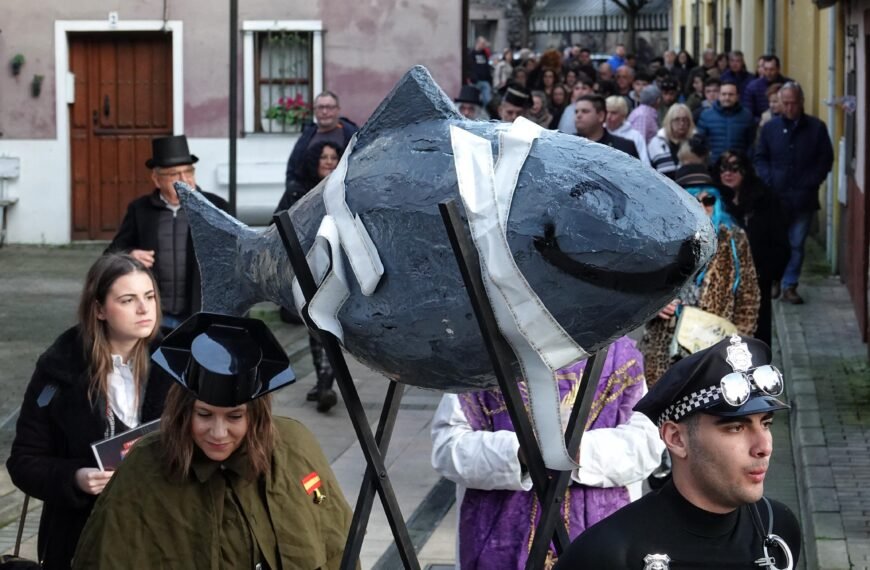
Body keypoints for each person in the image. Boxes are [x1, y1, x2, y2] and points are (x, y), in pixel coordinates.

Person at [72, 313, 355, 569]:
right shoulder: (146, 465)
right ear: (184, 412)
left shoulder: (294, 446)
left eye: (234, 417)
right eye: (204, 415)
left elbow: (337, 545)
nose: (218, 433)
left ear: (254, 416)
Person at [554, 335, 801, 569]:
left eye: (766, 424)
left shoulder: (778, 526)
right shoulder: (608, 554)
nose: (764, 447)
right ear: (676, 438)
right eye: (736, 428)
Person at [432, 336, 665, 570]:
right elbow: (448, 447)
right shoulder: (482, 354)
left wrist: (580, 450)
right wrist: (521, 453)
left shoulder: (617, 355)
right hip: (499, 538)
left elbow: (645, 446)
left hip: (599, 536)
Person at [7, 253, 171, 569]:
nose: (144, 308)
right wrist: (76, 478)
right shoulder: (59, 370)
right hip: (84, 537)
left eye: (149, 296)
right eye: (127, 300)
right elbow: (24, 461)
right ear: (99, 310)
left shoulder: (176, 364)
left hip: (163, 531)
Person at [639, 181, 760, 386]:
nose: (703, 207)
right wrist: (656, 305)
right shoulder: (664, 238)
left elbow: (748, 295)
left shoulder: (734, 238)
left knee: (709, 408)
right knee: (668, 406)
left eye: (709, 200)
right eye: (694, 200)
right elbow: (641, 285)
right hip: (666, 342)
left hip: (714, 342)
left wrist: (739, 342)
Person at [106, 135, 230, 330]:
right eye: (174, 175)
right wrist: (129, 256)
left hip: (201, 315)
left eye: (188, 172)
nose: (184, 181)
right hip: (154, 317)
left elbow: (237, 263)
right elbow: (111, 254)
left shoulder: (216, 208)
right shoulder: (140, 210)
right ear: (156, 179)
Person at [275, 141, 345, 413]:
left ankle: (326, 382)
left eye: (333, 157)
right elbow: (278, 224)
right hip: (307, 269)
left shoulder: (343, 189)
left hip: (337, 269)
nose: (329, 162)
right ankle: (322, 381)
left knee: (328, 327)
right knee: (314, 329)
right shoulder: (298, 192)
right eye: (324, 157)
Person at [755, 81, 834, 304]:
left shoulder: (816, 128)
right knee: (776, 243)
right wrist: (768, 180)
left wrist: (811, 181)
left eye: (793, 103)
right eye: (785, 103)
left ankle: (790, 285)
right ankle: (775, 280)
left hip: (803, 198)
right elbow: (760, 157)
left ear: (801, 103)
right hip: (775, 197)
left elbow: (825, 160)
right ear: (779, 103)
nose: (789, 107)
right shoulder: (770, 128)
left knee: (796, 244)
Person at [716, 150, 790, 346]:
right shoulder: (716, 201)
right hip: (723, 282)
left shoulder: (764, 200)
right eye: (723, 168)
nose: (728, 173)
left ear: (746, 170)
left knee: (755, 335)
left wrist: (768, 275)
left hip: (757, 280)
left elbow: (780, 242)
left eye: (734, 168)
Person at [284, 91, 358, 187]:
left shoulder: (352, 135)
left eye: (329, 107)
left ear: (338, 110)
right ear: (314, 111)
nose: (324, 112)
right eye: (320, 107)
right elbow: (293, 168)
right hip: (308, 196)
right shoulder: (306, 136)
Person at [695, 80, 755, 163]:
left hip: (739, 166)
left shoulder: (747, 116)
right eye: (724, 94)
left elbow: (751, 144)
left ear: (737, 96)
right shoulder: (706, 115)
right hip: (713, 166)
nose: (727, 98)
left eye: (731, 94)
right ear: (719, 95)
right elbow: (699, 142)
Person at [575, 94, 639, 159]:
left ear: (601, 116)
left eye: (585, 111)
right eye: (576, 112)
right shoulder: (568, 144)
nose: (578, 115)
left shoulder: (625, 147)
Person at [648, 103, 695, 179]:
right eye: (677, 120)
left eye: (685, 120)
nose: (682, 123)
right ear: (669, 121)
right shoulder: (656, 143)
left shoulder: (694, 142)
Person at [743, 55, 791, 121]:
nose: (768, 73)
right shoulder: (752, 87)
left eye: (771, 69)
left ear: (778, 69)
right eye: (766, 69)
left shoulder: (789, 85)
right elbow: (748, 113)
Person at [605, 95, 650, 165]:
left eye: (613, 113)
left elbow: (645, 164)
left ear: (623, 114)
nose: (608, 116)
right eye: (606, 112)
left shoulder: (635, 136)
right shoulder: (598, 132)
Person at [468, 36, 493, 106]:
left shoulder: (484, 54)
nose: (484, 45)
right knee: (474, 100)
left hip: (485, 80)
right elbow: (470, 67)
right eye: (483, 43)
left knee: (487, 100)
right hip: (475, 81)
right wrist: (472, 77)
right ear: (478, 43)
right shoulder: (471, 54)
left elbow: (487, 67)